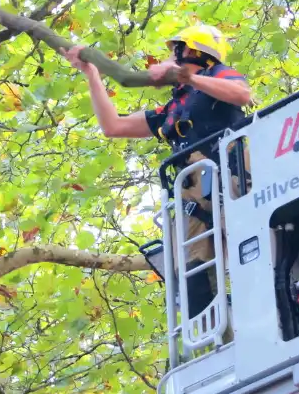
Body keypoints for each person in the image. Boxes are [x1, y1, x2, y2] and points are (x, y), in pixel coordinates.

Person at [60, 24, 252, 317]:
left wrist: (191, 78)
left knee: (253, 251)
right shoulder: (173, 108)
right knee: (191, 275)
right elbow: (114, 126)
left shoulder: (217, 75)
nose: (170, 59)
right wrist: (92, 74)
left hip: (233, 179)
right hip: (195, 198)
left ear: (194, 52)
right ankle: (219, 335)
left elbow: (240, 95)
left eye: (177, 52)